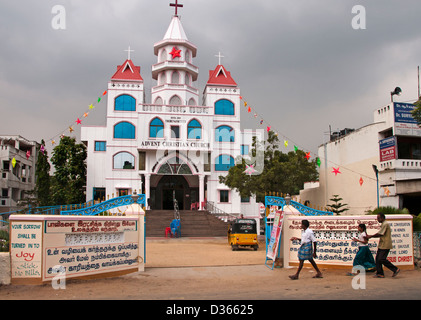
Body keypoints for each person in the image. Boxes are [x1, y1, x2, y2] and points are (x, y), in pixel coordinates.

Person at [367, 213, 400, 278]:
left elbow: (380, 234)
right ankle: (380, 273)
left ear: (382, 218)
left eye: (378, 218)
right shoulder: (383, 224)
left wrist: (370, 236)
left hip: (385, 244)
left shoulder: (385, 224)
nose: (377, 219)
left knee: (381, 258)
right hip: (382, 244)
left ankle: (395, 269)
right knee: (377, 258)